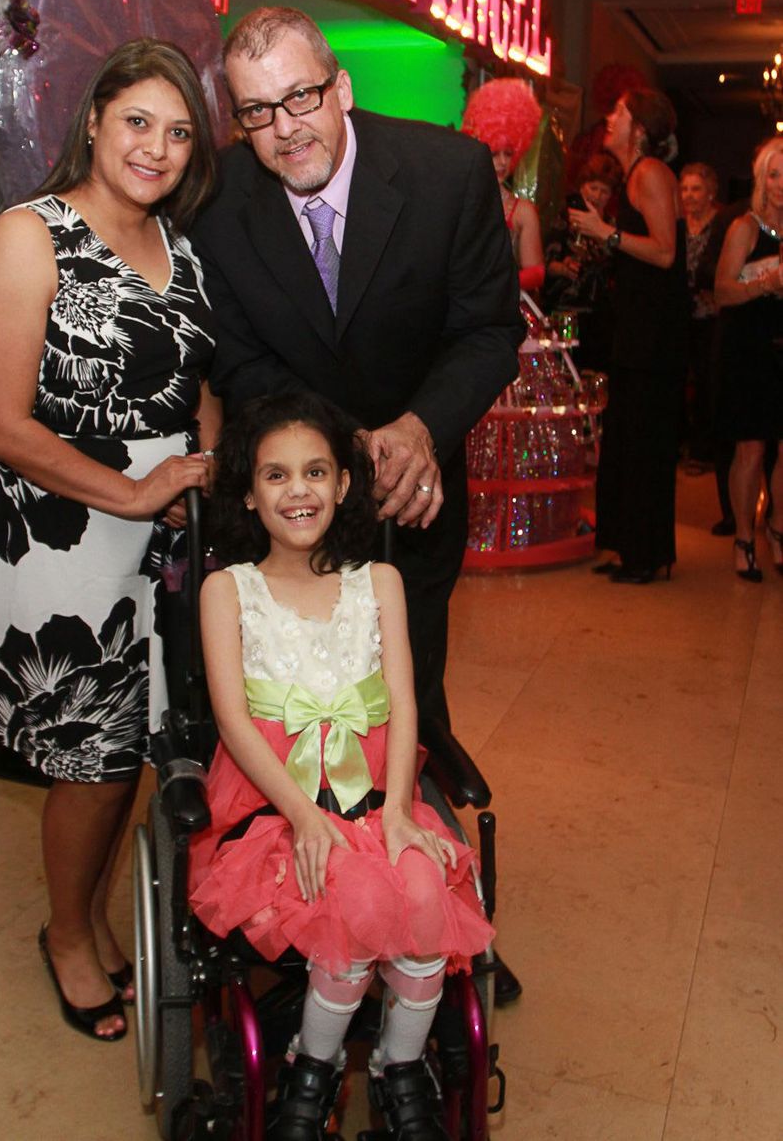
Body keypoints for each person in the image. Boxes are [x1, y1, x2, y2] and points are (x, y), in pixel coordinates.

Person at [0, 39, 220, 1040]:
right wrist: (135, 492)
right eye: (137, 120)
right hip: (58, 527)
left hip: (153, 535)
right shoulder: (28, 236)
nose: (155, 147)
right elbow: (2, 424)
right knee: (89, 755)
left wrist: (203, 465)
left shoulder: (180, 248)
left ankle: (93, 917)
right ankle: (66, 933)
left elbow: (200, 381)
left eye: (178, 132)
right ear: (94, 121)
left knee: (130, 748)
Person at [190, 6, 523, 732]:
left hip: (416, 494)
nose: (284, 128)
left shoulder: (448, 174)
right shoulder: (215, 206)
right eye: (256, 111)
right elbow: (239, 360)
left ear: (341, 88)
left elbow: (490, 331)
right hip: (288, 505)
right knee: (291, 705)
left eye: (299, 97)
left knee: (410, 699)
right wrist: (344, 447)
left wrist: (418, 429)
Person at [189, 393, 495, 1141]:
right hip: (274, 803)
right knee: (353, 900)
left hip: (372, 797)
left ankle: (398, 1069)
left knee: (422, 892)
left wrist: (395, 813)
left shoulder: (377, 585)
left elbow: (402, 702)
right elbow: (232, 718)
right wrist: (301, 817)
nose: (299, 491)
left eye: (316, 472)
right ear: (249, 493)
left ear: (344, 485)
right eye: (277, 476)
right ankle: (310, 1069)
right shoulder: (228, 591)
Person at [570, 87, 689, 584]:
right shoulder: (637, 175)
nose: (609, 118)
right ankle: (634, 548)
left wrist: (608, 235)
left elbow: (665, 252)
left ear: (639, 128)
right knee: (631, 439)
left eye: (618, 112)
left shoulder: (652, 174)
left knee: (644, 441)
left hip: (654, 334)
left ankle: (647, 554)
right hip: (640, 328)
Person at [713, 138, 783, 582]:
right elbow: (721, 291)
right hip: (749, 349)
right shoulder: (746, 227)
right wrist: (766, 282)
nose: (782, 185)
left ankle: (777, 530)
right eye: (775, 174)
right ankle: (744, 538)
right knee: (751, 450)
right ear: (762, 178)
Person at [461, 76, 545, 293]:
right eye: (494, 153)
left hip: (507, 314)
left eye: (508, 154)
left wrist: (494, 287)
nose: (503, 162)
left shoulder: (522, 212)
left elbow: (537, 272)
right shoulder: (459, 203)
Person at [543, 151, 621, 371]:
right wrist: (563, 267)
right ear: (582, 187)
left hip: (600, 316)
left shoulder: (612, 227)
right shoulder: (565, 219)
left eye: (604, 191)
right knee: (565, 370)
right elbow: (544, 264)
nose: (597, 195)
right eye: (593, 188)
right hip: (566, 312)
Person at [679, 163, 725, 472]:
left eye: (696, 189)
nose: (689, 195)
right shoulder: (678, 223)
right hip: (681, 314)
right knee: (680, 378)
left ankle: (704, 448)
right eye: (684, 189)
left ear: (710, 192)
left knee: (709, 381)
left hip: (712, 314)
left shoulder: (721, 224)